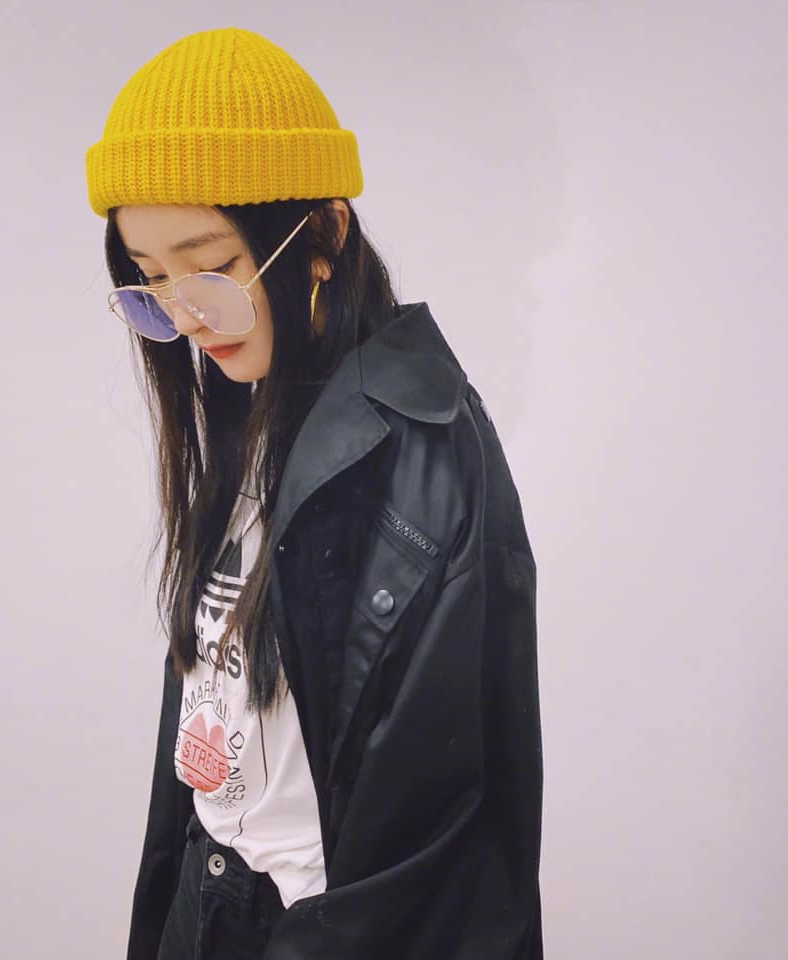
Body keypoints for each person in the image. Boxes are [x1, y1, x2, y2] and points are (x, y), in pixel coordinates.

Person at [85, 25, 543, 960]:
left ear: (324, 234)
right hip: (208, 903)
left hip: (313, 927)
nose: (183, 315)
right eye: (151, 282)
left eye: (210, 267)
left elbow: (433, 842)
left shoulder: (423, 457)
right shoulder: (246, 411)